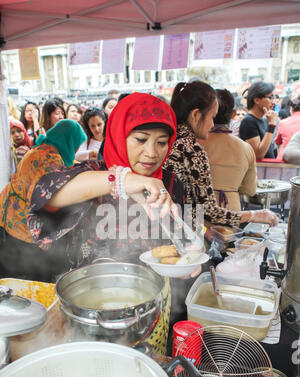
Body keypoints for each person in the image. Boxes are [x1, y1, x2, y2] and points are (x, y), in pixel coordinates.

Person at [0, 100, 180, 284]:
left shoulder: (172, 184)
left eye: (162, 142)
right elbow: (46, 193)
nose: (152, 152)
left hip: (152, 292)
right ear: (118, 135)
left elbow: (183, 239)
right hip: (90, 290)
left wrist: (187, 258)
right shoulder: (93, 171)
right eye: (141, 139)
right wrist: (123, 180)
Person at [163, 80, 277, 230]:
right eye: (211, 117)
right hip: (179, 234)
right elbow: (209, 212)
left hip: (164, 227)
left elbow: (191, 203)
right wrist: (255, 215)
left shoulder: (167, 139)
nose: (212, 125)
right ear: (196, 115)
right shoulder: (192, 149)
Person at [202, 89, 257, 211]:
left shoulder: (194, 144)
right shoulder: (246, 148)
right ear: (233, 114)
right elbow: (250, 190)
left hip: (201, 211)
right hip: (232, 210)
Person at [239, 81, 278, 161]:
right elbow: (258, 155)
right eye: (270, 98)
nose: (273, 102)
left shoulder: (264, 119)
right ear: (257, 100)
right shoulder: (248, 121)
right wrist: (271, 125)